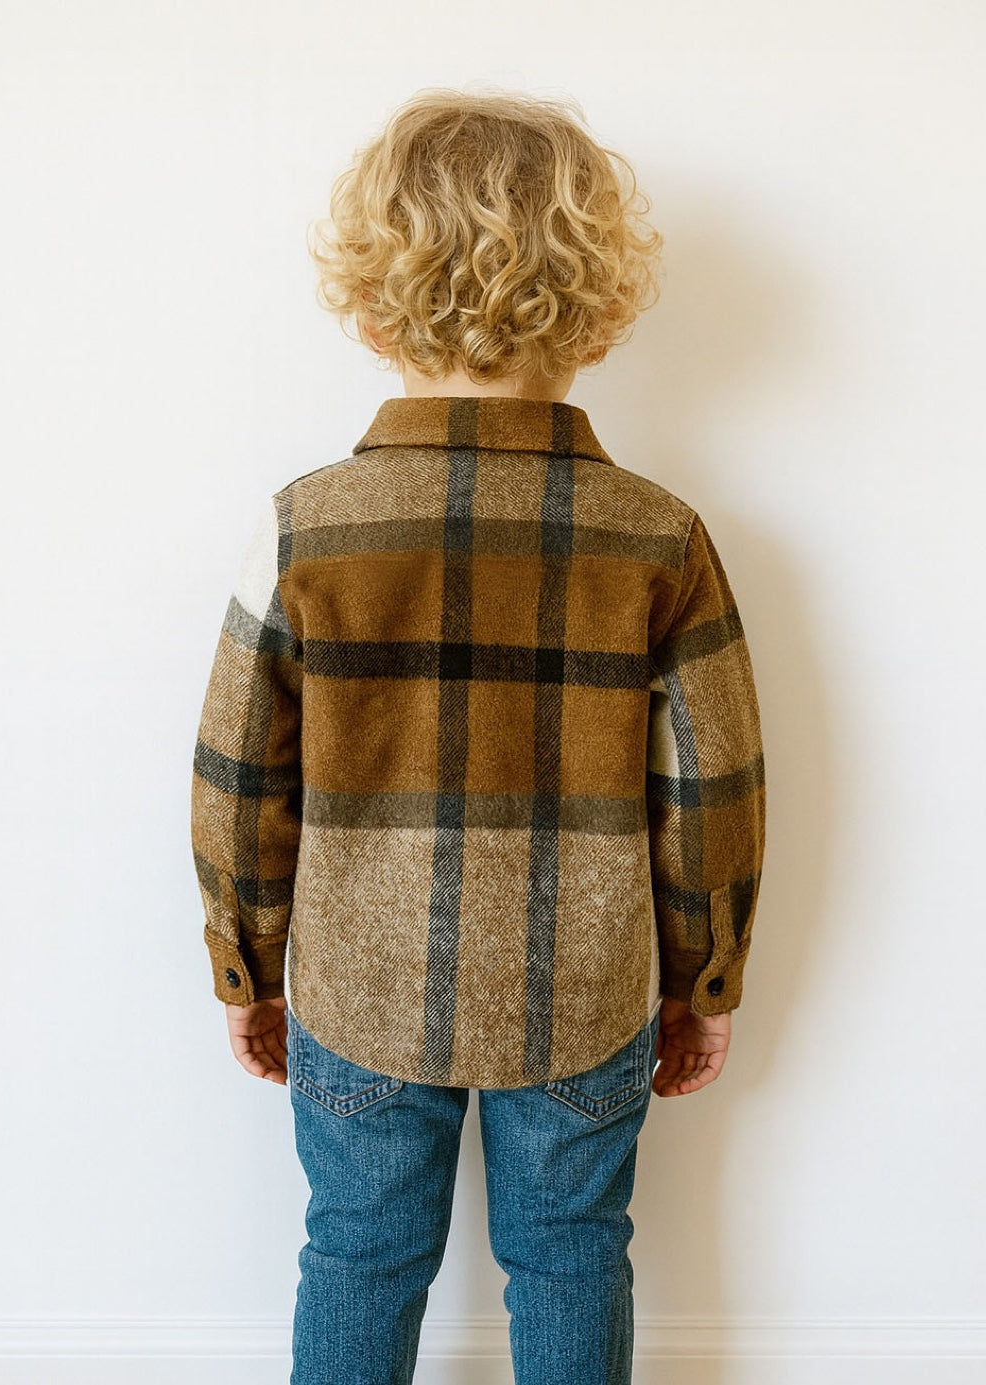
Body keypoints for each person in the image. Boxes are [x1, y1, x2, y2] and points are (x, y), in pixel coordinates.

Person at [190, 85, 766, 1385]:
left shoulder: (304, 527)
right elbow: (711, 788)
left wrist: (246, 963)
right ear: (598, 300)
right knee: (570, 1251)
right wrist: (704, 978)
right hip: (585, 983)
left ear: (373, 294)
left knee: (357, 1251)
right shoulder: (661, 538)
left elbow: (237, 778)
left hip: (357, 983)